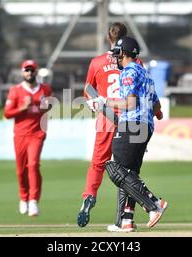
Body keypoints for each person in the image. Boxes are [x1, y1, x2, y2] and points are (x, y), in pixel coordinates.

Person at [89, 36, 166, 232]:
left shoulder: (129, 72)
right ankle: (126, 220)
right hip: (145, 126)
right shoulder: (145, 72)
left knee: (114, 169)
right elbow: (158, 107)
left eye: (117, 53)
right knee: (129, 174)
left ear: (124, 53)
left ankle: (153, 203)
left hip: (132, 123)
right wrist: (154, 114)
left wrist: (103, 102)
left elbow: (129, 104)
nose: (114, 57)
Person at [77, 22, 129, 227]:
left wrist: (95, 103)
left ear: (109, 38)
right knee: (127, 167)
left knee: (98, 162)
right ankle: (126, 213)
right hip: (128, 118)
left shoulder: (97, 62)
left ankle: (89, 194)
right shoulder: (133, 61)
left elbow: (88, 90)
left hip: (106, 118)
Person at [4, 59, 52, 217]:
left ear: (36, 71)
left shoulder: (44, 89)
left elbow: (49, 107)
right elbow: (7, 113)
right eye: (27, 70)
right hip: (20, 135)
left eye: (32, 70)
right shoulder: (16, 90)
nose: (29, 73)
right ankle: (23, 197)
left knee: (33, 165)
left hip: (37, 134)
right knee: (21, 169)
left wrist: (47, 105)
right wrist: (22, 107)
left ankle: (33, 201)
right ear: (22, 72)